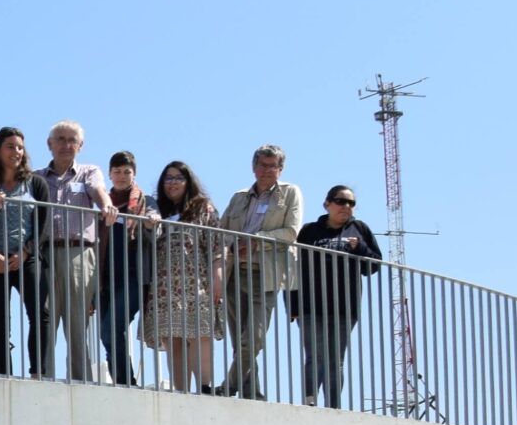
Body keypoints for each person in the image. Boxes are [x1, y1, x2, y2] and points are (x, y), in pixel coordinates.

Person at [217, 145, 303, 399]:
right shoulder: (239, 197)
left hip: (265, 274)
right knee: (239, 340)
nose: (267, 170)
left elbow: (291, 232)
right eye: (263, 165)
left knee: (253, 339)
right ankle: (251, 391)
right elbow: (221, 233)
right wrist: (233, 246)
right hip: (235, 273)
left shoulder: (290, 193)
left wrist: (256, 240)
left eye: (272, 166)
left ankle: (228, 385)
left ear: (280, 169)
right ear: (254, 167)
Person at [35, 122, 115, 380]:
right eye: (60, 139)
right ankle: (43, 378)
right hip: (44, 254)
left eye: (72, 140)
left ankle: (81, 382)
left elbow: (98, 191)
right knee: (44, 320)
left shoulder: (88, 172)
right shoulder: (37, 177)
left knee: (77, 322)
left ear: (80, 146)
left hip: (78, 253)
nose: (66, 145)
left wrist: (107, 206)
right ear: (49, 144)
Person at [292, 185, 383, 407]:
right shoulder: (309, 231)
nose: (346, 207)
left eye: (351, 203)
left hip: (345, 307)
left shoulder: (360, 229)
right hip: (311, 305)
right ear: (327, 204)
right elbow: (294, 267)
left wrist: (360, 247)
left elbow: (373, 267)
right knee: (316, 357)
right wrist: (293, 305)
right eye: (341, 201)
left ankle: (333, 406)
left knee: (335, 360)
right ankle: (310, 402)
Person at [143, 160, 223, 392]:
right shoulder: (157, 211)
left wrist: (218, 277)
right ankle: (181, 391)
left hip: (196, 281)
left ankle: (206, 386)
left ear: (188, 181)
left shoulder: (202, 208)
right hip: (163, 285)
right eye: (168, 178)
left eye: (178, 178)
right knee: (172, 338)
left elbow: (216, 246)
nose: (173, 183)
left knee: (200, 333)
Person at [0, 126, 46, 376]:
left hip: (27, 258)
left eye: (20, 147)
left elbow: (43, 223)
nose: (16, 151)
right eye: (10, 146)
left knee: (40, 313)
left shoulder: (35, 183)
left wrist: (26, 252)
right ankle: (2, 373)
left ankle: (39, 370)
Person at [97, 151, 156, 385]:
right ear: (110, 174)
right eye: (117, 172)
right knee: (109, 331)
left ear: (135, 174)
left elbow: (154, 216)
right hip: (104, 277)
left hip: (133, 276)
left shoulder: (144, 200)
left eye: (126, 172)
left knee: (111, 328)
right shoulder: (103, 202)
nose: (121, 176)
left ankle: (124, 380)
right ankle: (123, 379)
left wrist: (152, 221)